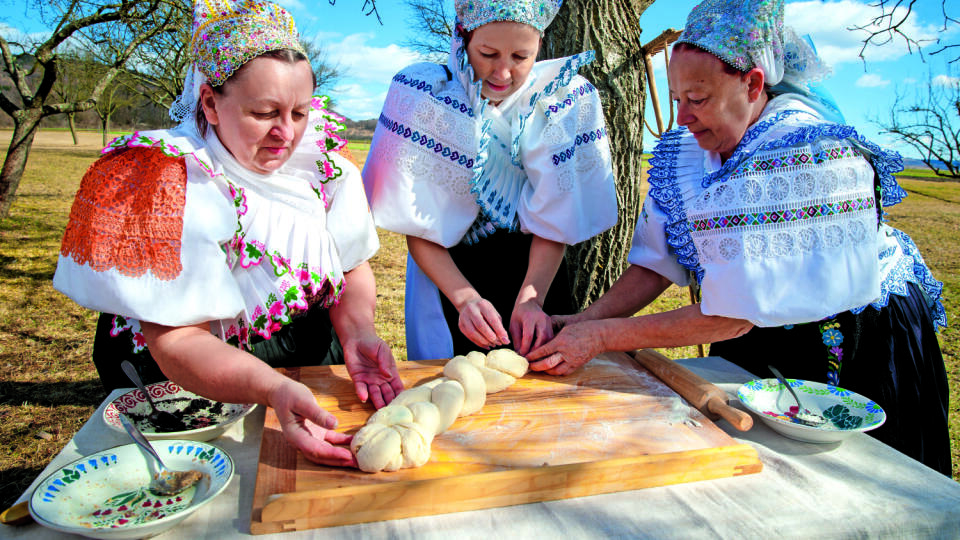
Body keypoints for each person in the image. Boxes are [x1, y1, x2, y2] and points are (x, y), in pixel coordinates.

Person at [527, 0, 951, 476]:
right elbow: (658, 261)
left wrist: (603, 336)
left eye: (699, 99)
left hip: (853, 336)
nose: (682, 117)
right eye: (676, 98)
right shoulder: (694, 150)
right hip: (756, 326)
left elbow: (733, 314)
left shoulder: (801, 151)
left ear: (752, 84)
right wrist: (583, 320)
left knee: (853, 489)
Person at [52, 0, 403, 468]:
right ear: (211, 104)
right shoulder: (173, 181)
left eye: (300, 112)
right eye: (264, 112)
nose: (287, 133)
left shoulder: (326, 170)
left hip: (302, 351)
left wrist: (358, 331)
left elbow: (351, 266)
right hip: (187, 373)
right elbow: (178, 339)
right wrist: (273, 386)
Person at [362, 0, 618, 361]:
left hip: (537, 276)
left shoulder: (561, 100)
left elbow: (554, 220)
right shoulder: (428, 97)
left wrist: (532, 298)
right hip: (450, 278)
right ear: (464, 40)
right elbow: (418, 226)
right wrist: (465, 298)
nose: (503, 72)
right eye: (488, 53)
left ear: (539, 47)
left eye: (520, 56)